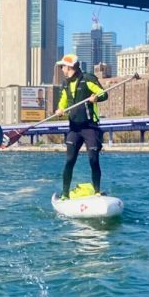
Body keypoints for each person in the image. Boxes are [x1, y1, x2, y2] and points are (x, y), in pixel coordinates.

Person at [55, 53, 108, 199]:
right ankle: (65, 194)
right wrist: (59, 109)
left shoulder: (88, 79)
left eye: (62, 66)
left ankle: (97, 191)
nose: (61, 69)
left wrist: (96, 98)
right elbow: (63, 101)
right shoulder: (65, 84)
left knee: (93, 159)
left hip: (90, 127)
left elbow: (104, 94)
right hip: (74, 128)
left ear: (70, 67)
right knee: (69, 161)